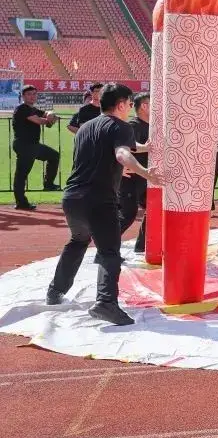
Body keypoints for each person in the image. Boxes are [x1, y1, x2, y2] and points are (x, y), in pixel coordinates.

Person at [46, 83, 162, 326]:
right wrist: (144, 172)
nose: (130, 108)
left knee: (78, 241)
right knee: (109, 251)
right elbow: (121, 153)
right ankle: (106, 303)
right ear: (120, 105)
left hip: (73, 197)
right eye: (129, 104)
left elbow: (110, 152)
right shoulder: (121, 126)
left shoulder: (86, 127)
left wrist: (141, 150)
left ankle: (55, 291)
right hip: (99, 198)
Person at [12, 85, 60, 210]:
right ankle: (21, 202)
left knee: (54, 156)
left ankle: (48, 184)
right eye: (29, 94)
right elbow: (38, 120)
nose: (32, 96)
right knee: (22, 174)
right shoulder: (22, 109)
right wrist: (50, 120)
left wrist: (50, 114)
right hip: (24, 145)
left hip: (33, 145)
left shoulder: (32, 109)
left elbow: (46, 113)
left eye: (34, 94)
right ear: (23, 96)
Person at [119, 93, 150, 246]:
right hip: (130, 178)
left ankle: (142, 245)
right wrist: (146, 147)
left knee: (154, 209)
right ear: (144, 106)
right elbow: (128, 145)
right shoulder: (133, 125)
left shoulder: (151, 126)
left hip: (145, 176)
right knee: (127, 215)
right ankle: (105, 247)